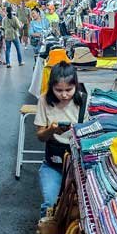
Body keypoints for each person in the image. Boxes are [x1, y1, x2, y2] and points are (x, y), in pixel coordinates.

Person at [34, 61, 84, 217]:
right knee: (50, 204)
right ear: (51, 87)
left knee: (81, 206)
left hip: (79, 166)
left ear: (76, 85)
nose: (64, 95)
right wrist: (52, 130)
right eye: (58, 90)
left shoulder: (84, 101)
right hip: (52, 165)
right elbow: (40, 136)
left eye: (69, 90)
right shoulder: (44, 100)